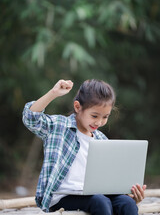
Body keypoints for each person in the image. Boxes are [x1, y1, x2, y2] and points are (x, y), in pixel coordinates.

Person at [22, 79, 146, 214]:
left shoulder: (102, 139)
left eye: (105, 117)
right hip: (64, 197)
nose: (99, 122)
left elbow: (107, 180)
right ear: (77, 107)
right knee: (100, 201)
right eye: (94, 116)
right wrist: (53, 93)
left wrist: (129, 193)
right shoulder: (59, 126)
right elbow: (31, 118)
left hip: (96, 195)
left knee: (127, 203)